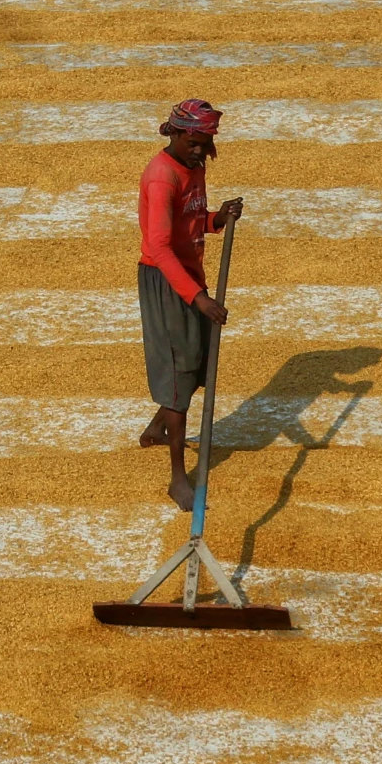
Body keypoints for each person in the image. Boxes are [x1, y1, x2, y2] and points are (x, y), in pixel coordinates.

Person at [135, 98, 244, 509]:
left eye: (206, 143)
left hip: (187, 276)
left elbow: (192, 221)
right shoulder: (161, 177)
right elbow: (159, 247)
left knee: (197, 364)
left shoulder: (194, 167)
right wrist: (198, 299)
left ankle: (157, 427)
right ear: (176, 134)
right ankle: (178, 476)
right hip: (167, 281)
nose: (200, 151)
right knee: (180, 374)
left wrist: (218, 218)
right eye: (194, 142)